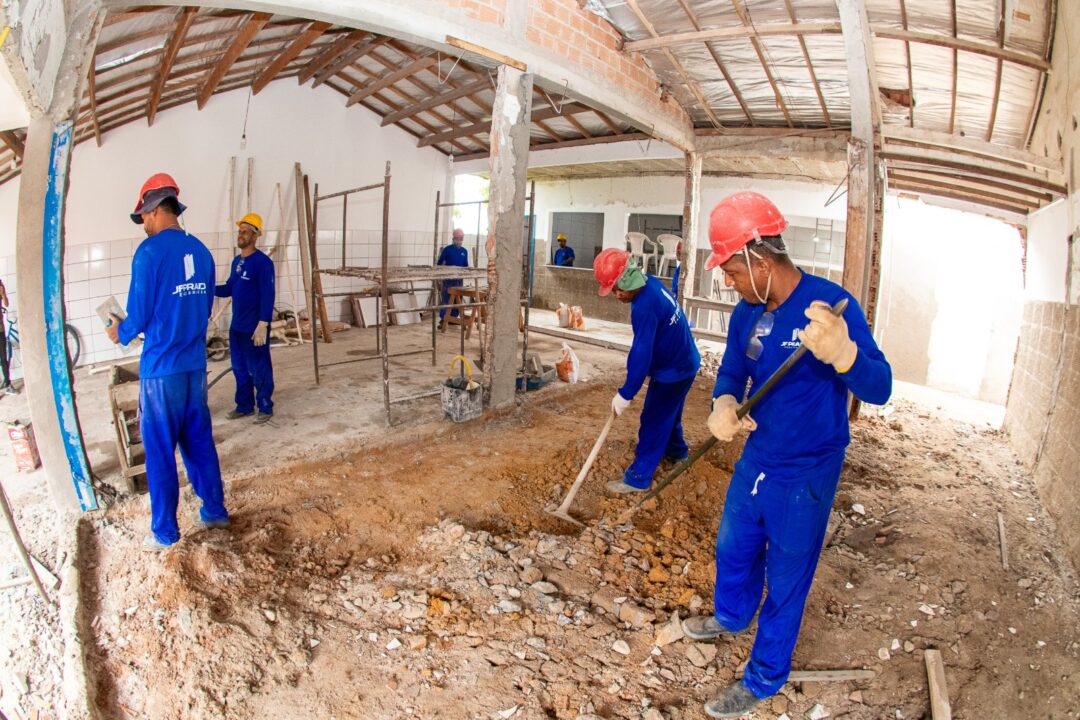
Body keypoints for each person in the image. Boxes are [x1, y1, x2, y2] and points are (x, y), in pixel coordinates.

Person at [680, 192, 891, 718]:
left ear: (758, 257)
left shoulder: (830, 306)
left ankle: (764, 676)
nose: (727, 280)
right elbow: (732, 367)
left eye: (730, 269)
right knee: (732, 548)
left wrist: (845, 354)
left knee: (788, 577)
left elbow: (881, 386)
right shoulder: (747, 312)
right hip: (758, 456)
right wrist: (724, 399)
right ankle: (731, 617)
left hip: (808, 469)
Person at [106, 173, 230, 552]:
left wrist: (120, 331)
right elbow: (205, 308)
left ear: (157, 209)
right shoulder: (202, 252)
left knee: (160, 453)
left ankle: (165, 533)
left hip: (161, 373)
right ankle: (214, 511)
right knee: (199, 444)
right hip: (194, 369)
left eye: (144, 216)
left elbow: (139, 315)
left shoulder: (150, 252)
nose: (144, 223)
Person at [593, 248, 700, 493]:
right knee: (669, 412)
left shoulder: (644, 306)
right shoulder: (651, 283)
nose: (616, 296)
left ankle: (638, 478)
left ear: (626, 280)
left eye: (617, 290)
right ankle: (677, 451)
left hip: (674, 370)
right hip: (685, 361)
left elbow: (641, 353)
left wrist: (627, 392)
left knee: (654, 418)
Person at [215, 213, 275, 424]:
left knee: (259, 367)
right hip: (237, 327)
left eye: (245, 231)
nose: (240, 235)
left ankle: (265, 406)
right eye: (240, 231)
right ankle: (245, 405)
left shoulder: (263, 263)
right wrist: (208, 289)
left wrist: (263, 323)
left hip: (254, 328)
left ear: (256, 235)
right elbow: (230, 288)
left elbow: (268, 294)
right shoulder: (237, 262)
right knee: (239, 367)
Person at [437, 228, 469, 323]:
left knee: (457, 298)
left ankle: (454, 318)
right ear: (453, 239)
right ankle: (444, 318)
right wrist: (439, 277)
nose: (459, 241)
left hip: (459, 279)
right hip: (448, 279)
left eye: (461, 239)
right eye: (457, 239)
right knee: (447, 297)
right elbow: (439, 263)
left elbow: (465, 266)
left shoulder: (464, 251)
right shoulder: (447, 250)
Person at [0, 278, 15, 394]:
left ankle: (8, 383)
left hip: (0, 329)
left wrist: (3, 294)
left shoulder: (0, 285)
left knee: (4, 358)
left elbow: (6, 303)